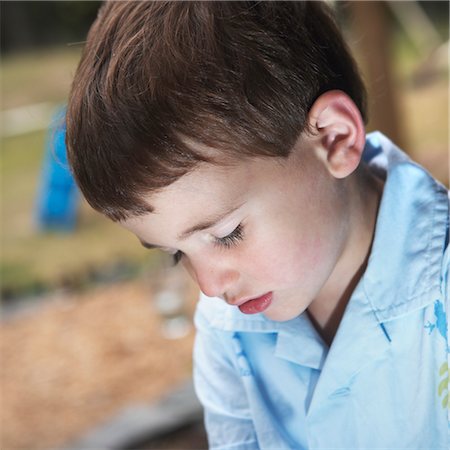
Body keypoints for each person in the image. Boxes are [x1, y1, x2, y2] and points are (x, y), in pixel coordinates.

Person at [65, 1, 449, 448]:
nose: (209, 287)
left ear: (333, 139)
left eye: (227, 234)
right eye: (176, 254)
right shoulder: (229, 334)